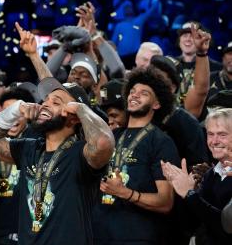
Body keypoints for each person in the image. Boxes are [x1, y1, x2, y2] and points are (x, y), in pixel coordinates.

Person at [0, 20, 115, 245]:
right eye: (45, 100)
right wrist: (14, 111)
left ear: (71, 115)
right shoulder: (29, 147)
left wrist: (81, 109)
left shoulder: (82, 155)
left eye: (56, 102)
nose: (45, 104)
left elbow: (104, 143)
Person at [93, 67, 181, 245]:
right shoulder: (113, 137)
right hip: (100, 233)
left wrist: (125, 193)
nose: (134, 95)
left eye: (144, 93)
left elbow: (166, 202)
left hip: (137, 236)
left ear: (156, 104)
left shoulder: (162, 142)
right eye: (132, 92)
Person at [162, 108, 232, 244]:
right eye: (210, 134)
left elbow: (225, 227)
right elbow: (192, 224)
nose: (214, 141)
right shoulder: (211, 174)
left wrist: (190, 194)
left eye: (222, 135)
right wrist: (181, 191)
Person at [0, 85, 36, 244]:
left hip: (28, 231)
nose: (12, 120)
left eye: (18, 114)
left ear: (27, 116)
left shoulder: (37, 143)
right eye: (8, 114)